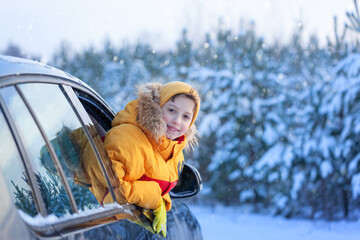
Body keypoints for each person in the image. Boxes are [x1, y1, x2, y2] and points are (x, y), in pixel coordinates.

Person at [103, 81, 200, 237]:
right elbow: (115, 188)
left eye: (186, 116)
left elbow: (152, 178)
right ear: (156, 107)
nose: (177, 120)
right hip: (109, 229)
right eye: (171, 110)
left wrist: (163, 200)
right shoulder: (128, 137)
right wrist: (155, 200)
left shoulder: (172, 150)